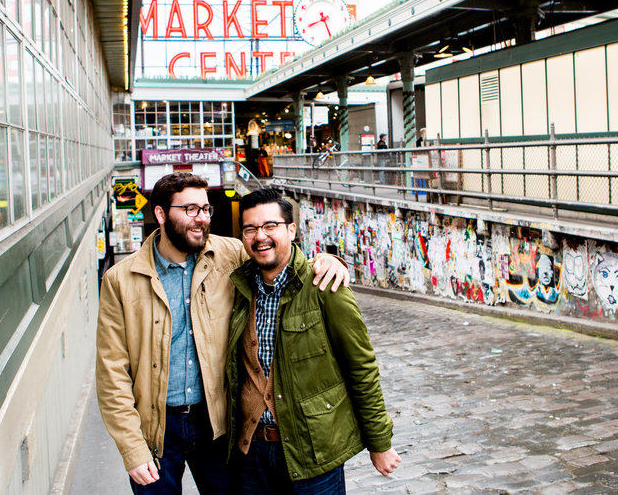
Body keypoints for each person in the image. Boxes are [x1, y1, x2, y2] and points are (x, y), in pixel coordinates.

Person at [96, 172, 350, 494]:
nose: (201, 219)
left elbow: (282, 261)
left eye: (205, 209)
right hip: (156, 429)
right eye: (189, 209)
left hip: (218, 423)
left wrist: (327, 261)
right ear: (160, 214)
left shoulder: (230, 254)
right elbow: (111, 373)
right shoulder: (120, 280)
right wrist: (131, 447)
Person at [225, 188, 401, 493]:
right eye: (250, 228)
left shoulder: (325, 286)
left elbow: (361, 367)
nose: (260, 236)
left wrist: (379, 443)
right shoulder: (239, 289)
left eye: (270, 226)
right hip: (251, 452)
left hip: (312, 452)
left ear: (291, 230)